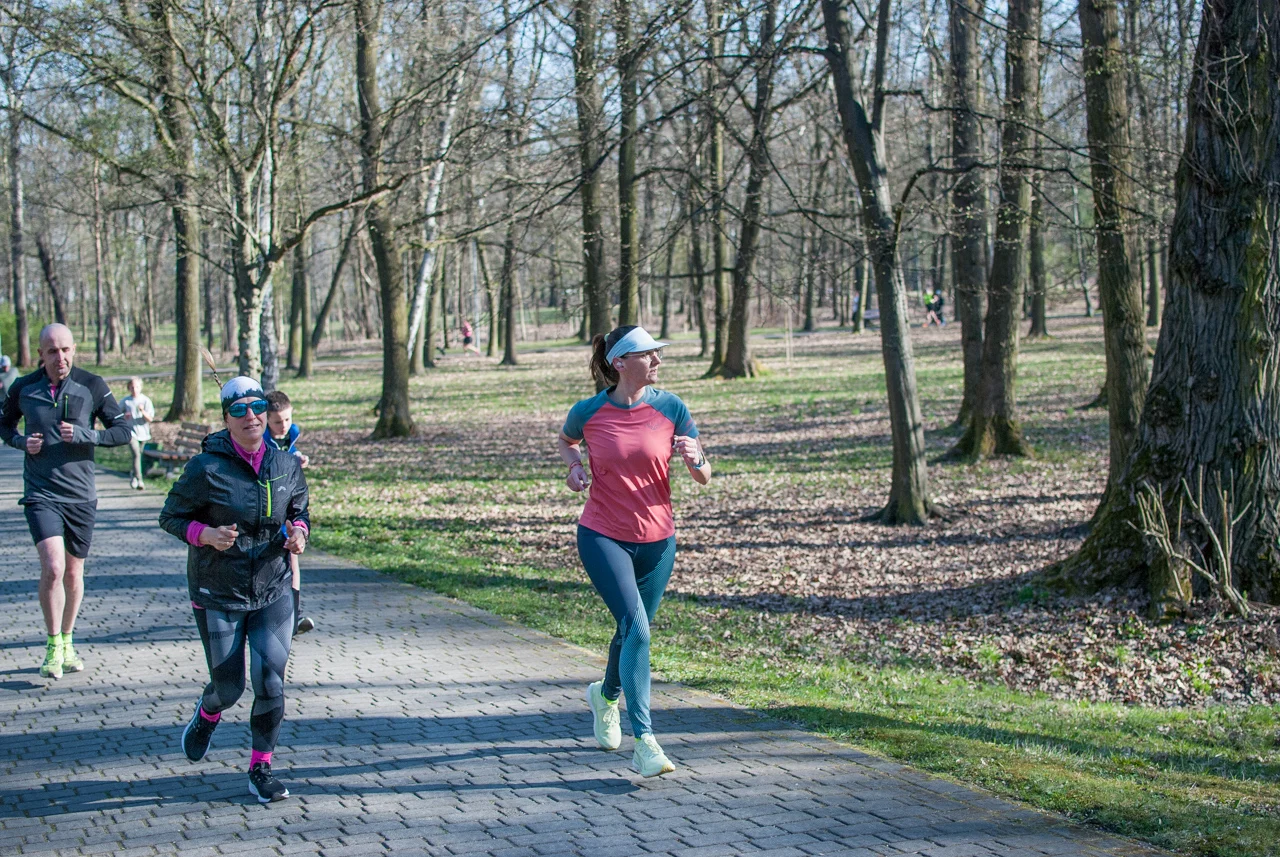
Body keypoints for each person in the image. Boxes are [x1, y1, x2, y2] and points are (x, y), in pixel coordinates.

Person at [557, 325, 710, 777]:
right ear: (620, 362)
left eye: (659, 354)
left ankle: (604, 696)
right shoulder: (588, 412)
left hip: (659, 542)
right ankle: (645, 741)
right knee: (638, 630)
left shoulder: (672, 407)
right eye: (649, 354)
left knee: (630, 633)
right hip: (603, 535)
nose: (658, 361)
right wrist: (574, 466)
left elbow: (705, 475)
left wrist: (694, 459)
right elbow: (566, 440)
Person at [159, 376, 310, 804]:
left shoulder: (285, 464)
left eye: (257, 407)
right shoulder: (206, 468)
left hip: (273, 586)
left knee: (271, 683)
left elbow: (300, 511)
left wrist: (299, 532)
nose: (251, 417)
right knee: (230, 689)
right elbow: (170, 516)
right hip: (218, 591)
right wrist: (204, 534)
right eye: (239, 410)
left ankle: (260, 768)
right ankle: (207, 715)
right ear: (226, 417)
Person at [0, 324, 134, 679]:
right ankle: (52, 643)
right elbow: (3, 424)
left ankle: (69, 639)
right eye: (52, 351)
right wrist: (18, 442)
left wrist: (85, 434)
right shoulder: (24, 387)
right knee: (54, 567)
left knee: (74, 572)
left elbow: (123, 432)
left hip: (80, 495)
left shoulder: (92, 385)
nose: (60, 358)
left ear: (74, 350)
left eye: (65, 350)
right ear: (41, 355)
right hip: (41, 493)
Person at [264, 390, 314, 636]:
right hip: (270, 512)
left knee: (293, 560)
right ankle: (278, 614)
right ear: (266, 419)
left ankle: (293, 614)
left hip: (290, 508)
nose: (283, 426)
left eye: (287, 419)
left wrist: (298, 458)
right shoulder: (261, 441)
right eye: (277, 421)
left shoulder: (290, 437)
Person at [121, 377, 155, 491]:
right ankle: (140, 480)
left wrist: (142, 411)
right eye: (132, 387)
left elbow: (150, 419)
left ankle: (134, 476)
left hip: (144, 433)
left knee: (138, 456)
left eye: (136, 387)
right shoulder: (126, 401)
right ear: (128, 388)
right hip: (131, 433)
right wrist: (124, 417)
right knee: (136, 454)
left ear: (140, 387)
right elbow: (116, 416)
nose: (134, 389)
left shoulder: (146, 401)